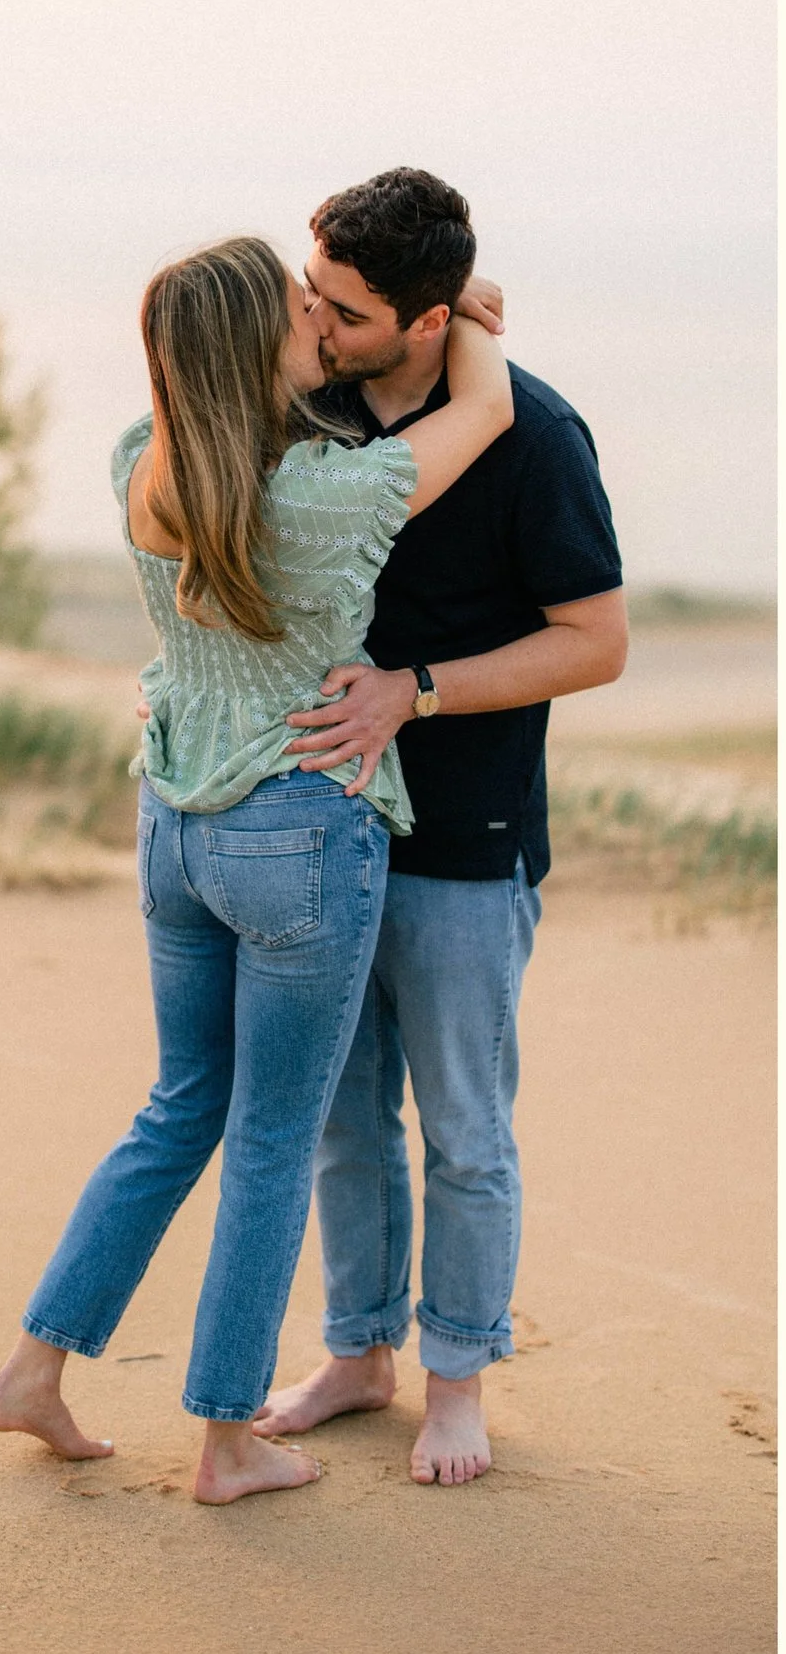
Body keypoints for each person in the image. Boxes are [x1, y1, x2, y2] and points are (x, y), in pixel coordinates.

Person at [0, 233, 516, 1503]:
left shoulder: (139, 465)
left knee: (178, 1108)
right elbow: (486, 408)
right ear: (255, 346)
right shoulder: (326, 497)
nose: (318, 322)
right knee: (272, 1140)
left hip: (174, 825)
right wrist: (459, 308)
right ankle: (225, 1438)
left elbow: (205, 420)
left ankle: (31, 1369)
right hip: (296, 836)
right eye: (298, 309)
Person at [252, 169, 625, 1485]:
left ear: (426, 320)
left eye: (343, 308)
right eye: (311, 291)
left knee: (464, 1129)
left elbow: (597, 642)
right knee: (342, 1121)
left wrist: (412, 692)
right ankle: (359, 1354)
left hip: (467, 841)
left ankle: (456, 1378)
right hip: (321, 829)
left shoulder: (536, 436)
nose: (315, 320)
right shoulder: (305, 406)